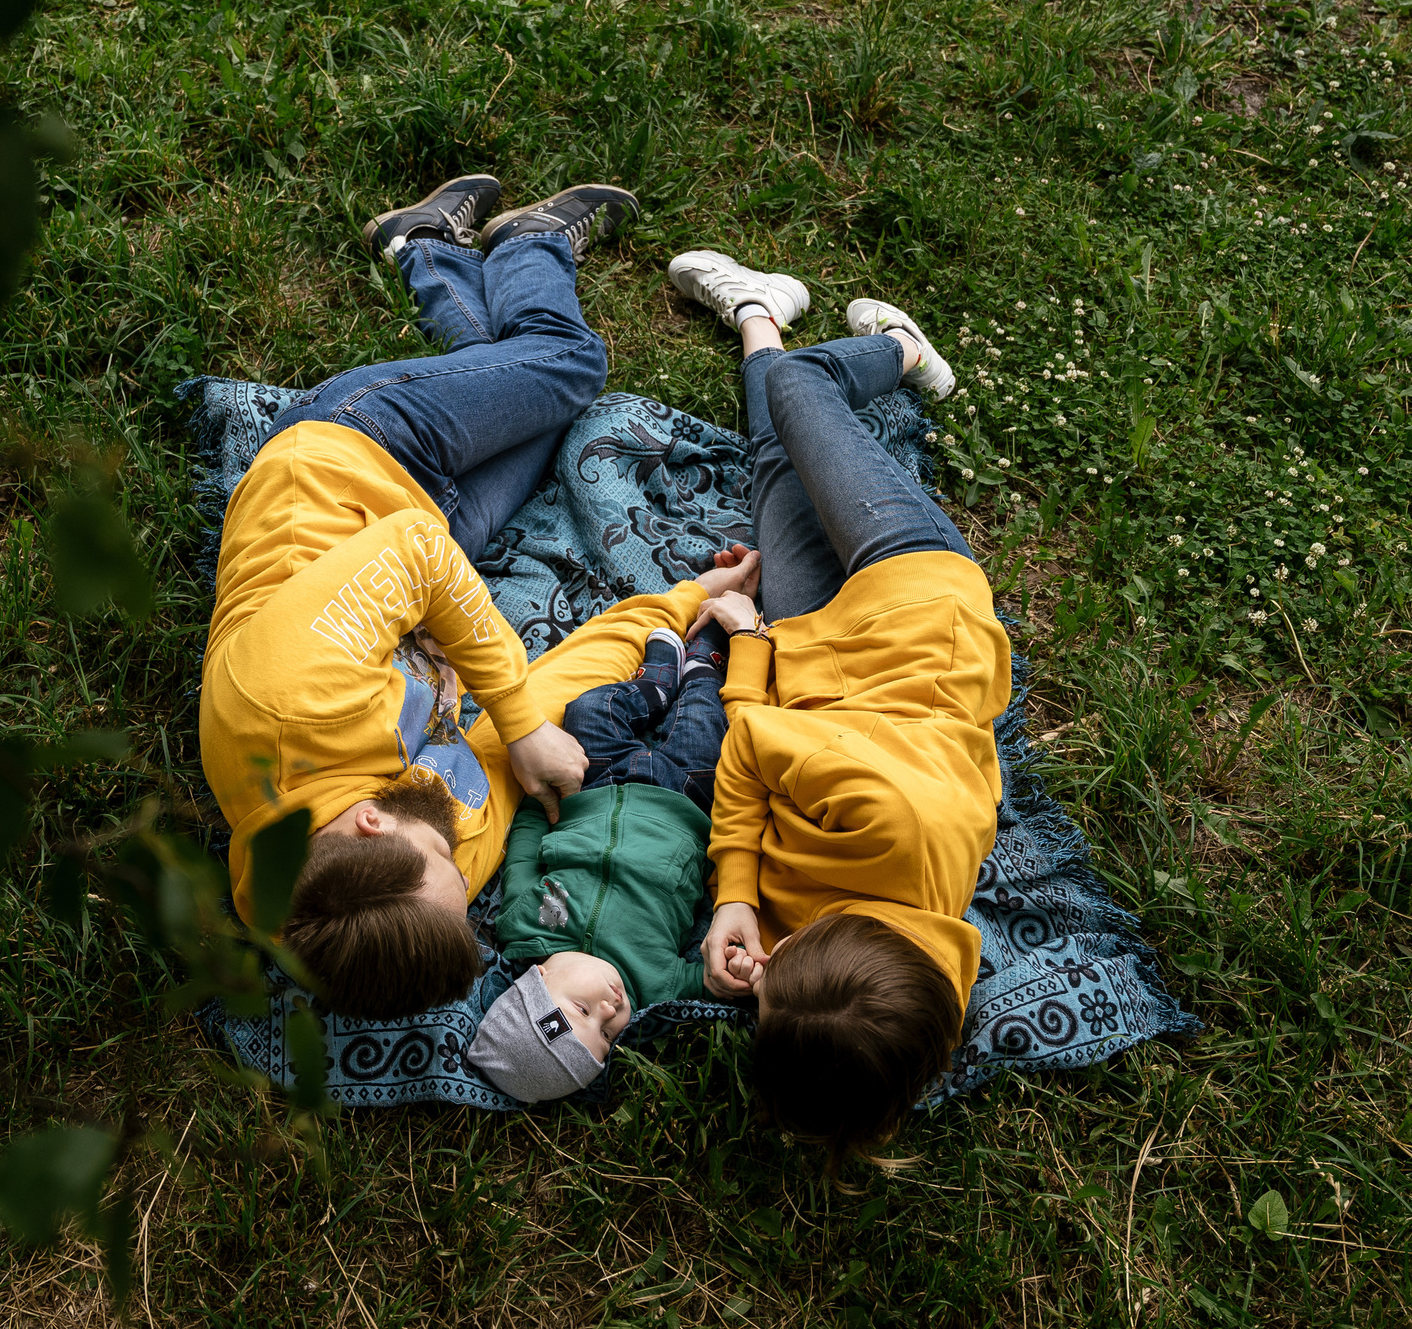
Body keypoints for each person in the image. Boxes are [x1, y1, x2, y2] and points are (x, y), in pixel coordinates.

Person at [200, 176, 762, 1022]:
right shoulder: (409, 883)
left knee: (572, 367)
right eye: (462, 883)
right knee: (549, 416)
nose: (465, 858)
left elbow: (415, 556)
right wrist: (681, 601)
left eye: (448, 866)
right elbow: (537, 711)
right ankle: (421, 242)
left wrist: (520, 720)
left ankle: (530, 241)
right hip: (439, 545)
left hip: (347, 456)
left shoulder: (279, 697)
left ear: (367, 828)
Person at [663, 248, 1009, 1156]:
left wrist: (740, 907)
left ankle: (758, 315)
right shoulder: (887, 824)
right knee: (802, 393)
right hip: (909, 605)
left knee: (776, 465)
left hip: (821, 665)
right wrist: (743, 640)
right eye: (773, 973)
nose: (760, 965)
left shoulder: (884, 1001)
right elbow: (748, 752)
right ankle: (903, 353)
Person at [465, 620, 752, 1101]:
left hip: (595, 786)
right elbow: (709, 977)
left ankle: (656, 680)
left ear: (540, 976)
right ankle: (705, 662)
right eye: (606, 1034)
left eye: (582, 1008)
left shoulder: (533, 924)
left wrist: (543, 805)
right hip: (686, 801)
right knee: (706, 720)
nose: (610, 1008)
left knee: (590, 710)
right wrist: (737, 974)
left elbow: (522, 862)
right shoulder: (655, 985)